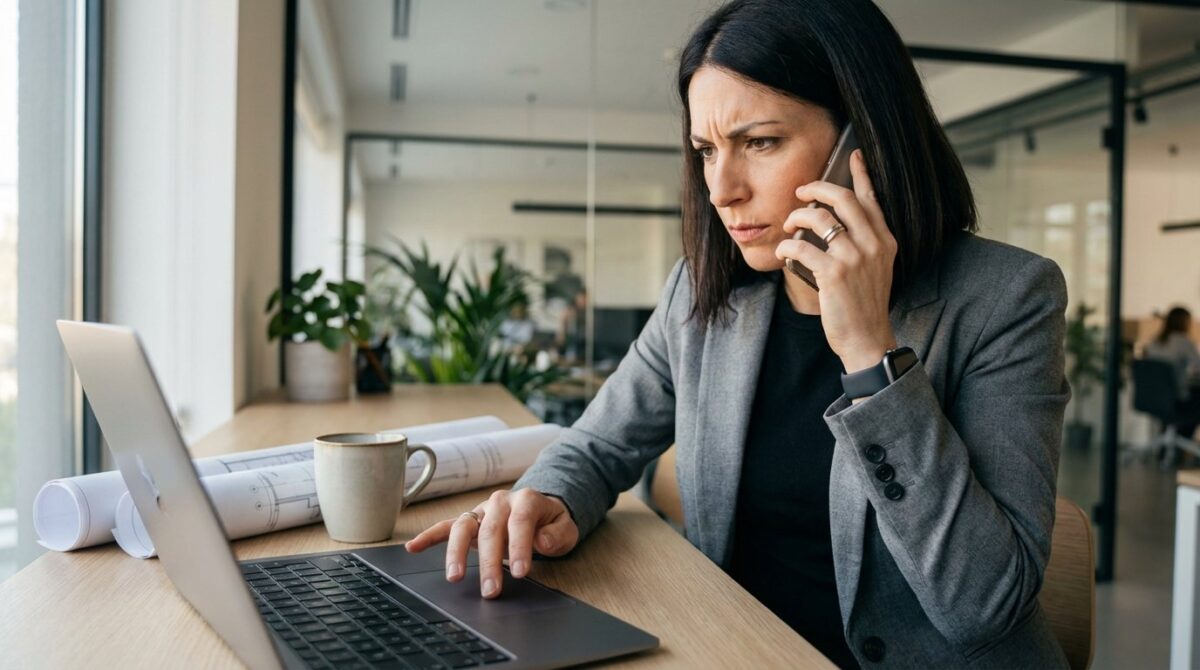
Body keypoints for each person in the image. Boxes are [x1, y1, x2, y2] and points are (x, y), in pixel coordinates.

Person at [406, 1, 1071, 667]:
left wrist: (871, 355)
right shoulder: (702, 294)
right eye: (706, 150)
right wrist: (547, 498)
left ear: (862, 143)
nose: (721, 189)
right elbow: (600, 444)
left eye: (760, 143)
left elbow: (984, 604)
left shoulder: (1007, 299)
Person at [1145, 306, 1200, 440]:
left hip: (1153, 398)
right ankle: (1181, 442)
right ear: (1185, 322)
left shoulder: (1154, 342)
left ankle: (1168, 443)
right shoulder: (1183, 341)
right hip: (1177, 398)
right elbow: (1198, 367)